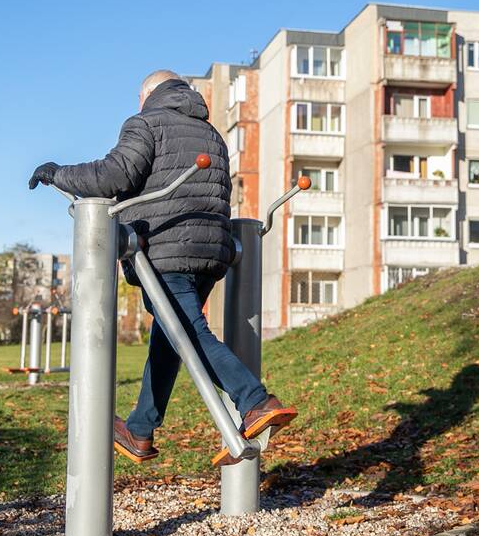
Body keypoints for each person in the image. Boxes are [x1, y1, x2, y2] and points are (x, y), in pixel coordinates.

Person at [27, 70, 296, 465]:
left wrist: (57, 173)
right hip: (212, 250)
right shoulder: (212, 134)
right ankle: (140, 429)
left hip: (166, 248)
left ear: (150, 93)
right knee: (172, 335)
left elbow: (114, 175)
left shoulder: (146, 122)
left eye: (139, 96)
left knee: (186, 331)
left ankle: (256, 400)